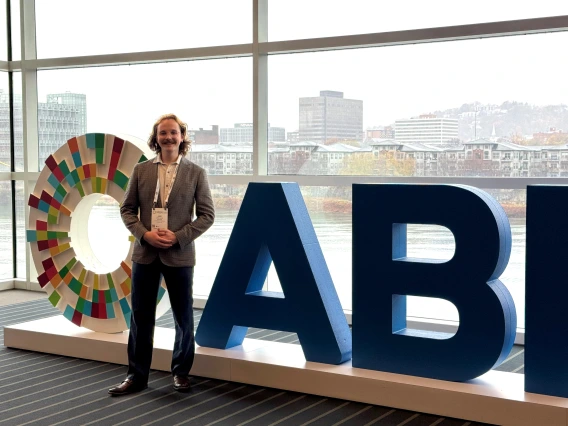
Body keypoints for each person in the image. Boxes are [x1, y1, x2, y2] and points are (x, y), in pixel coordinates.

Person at [109, 113, 215, 395]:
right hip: (145, 253)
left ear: (182, 137)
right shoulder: (141, 170)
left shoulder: (196, 174)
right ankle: (136, 376)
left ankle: (181, 373)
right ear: (156, 138)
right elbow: (126, 209)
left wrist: (178, 237)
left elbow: (207, 216)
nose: (168, 137)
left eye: (173, 133)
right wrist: (145, 234)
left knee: (183, 317)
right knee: (141, 317)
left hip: (179, 255)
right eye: (163, 133)